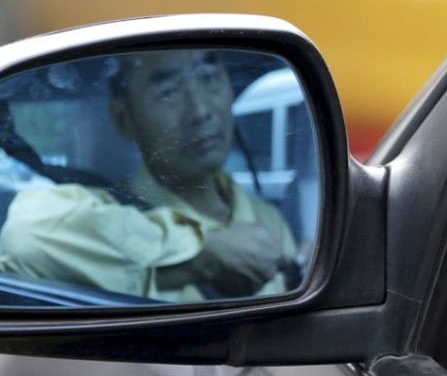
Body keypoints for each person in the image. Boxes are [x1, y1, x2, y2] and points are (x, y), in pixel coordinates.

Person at [0, 50, 297, 302]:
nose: (200, 110)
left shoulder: (268, 218)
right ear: (125, 119)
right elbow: (26, 237)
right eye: (168, 92)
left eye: (209, 77)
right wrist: (201, 256)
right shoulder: (102, 212)